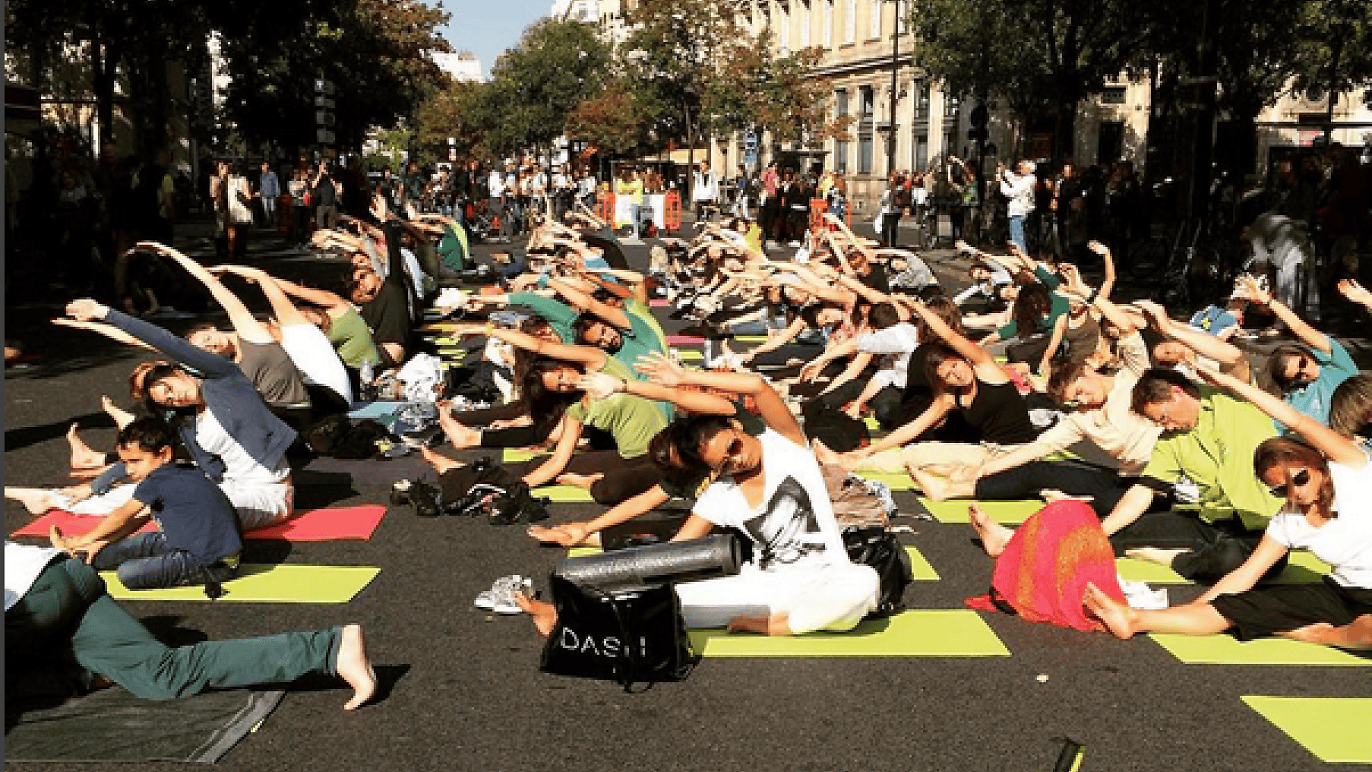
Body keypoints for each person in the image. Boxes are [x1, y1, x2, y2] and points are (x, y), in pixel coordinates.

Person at [516, 363, 880, 636]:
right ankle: (566, 615)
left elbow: (757, 385)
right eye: (723, 463)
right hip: (767, 586)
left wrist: (660, 380)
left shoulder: (788, 448)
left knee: (863, 584)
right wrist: (598, 568)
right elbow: (675, 550)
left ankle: (778, 626)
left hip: (832, 579)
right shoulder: (721, 494)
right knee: (670, 604)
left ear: (736, 427)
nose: (736, 459)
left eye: (733, 447)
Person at [1083, 364, 1372, 650]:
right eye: (1280, 490)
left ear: (1316, 462)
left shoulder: (1351, 467)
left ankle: (1321, 634)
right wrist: (1175, 615)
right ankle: (1135, 618)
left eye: (1299, 479)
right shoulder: (1287, 520)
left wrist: (1231, 383)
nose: (1294, 493)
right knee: (1233, 604)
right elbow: (1243, 577)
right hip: (1339, 593)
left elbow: (1296, 420)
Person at [5, 540, 376, 709]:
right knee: (161, 675)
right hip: (64, 576)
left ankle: (82, 674)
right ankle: (330, 647)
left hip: (32, 599)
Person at [54, 296, 298, 533]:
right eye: (169, 400)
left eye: (170, 388)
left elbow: (165, 341)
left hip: (269, 496)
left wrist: (104, 313)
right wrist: (95, 486)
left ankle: (93, 543)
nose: (176, 397)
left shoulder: (225, 380)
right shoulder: (190, 421)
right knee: (146, 492)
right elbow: (147, 453)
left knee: (170, 507)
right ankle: (54, 500)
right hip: (230, 488)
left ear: (178, 371)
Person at [46, 416, 242, 591]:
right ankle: (76, 554)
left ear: (164, 454)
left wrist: (85, 539)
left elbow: (121, 516)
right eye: (125, 463)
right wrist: (101, 542)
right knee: (136, 543)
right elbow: (137, 519)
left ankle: (76, 549)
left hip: (211, 564)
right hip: (190, 545)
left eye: (135, 461)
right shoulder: (181, 471)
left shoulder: (157, 481)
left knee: (128, 573)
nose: (129, 470)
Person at [999, 159, 1036, 255]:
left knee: (1017, 239)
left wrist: (1001, 182)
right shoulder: (1025, 179)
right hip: (1017, 212)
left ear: (1028, 169)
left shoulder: (1028, 179)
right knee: (1016, 237)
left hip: (1019, 212)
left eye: (1021, 168)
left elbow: (1011, 192)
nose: (1019, 170)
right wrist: (1005, 171)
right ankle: (1019, 257)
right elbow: (1014, 179)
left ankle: (1021, 258)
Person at [257, 161, 280, 228]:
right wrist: (260, 193)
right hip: (264, 195)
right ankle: (268, 222)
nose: (265, 167)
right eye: (263, 166)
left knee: (273, 209)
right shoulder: (261, 176)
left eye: (266, 165)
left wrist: (277, 193)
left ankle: (274, 223)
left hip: (272, 194)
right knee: (266, 210)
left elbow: (276, 184)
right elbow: (261, 185)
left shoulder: (272, 174)